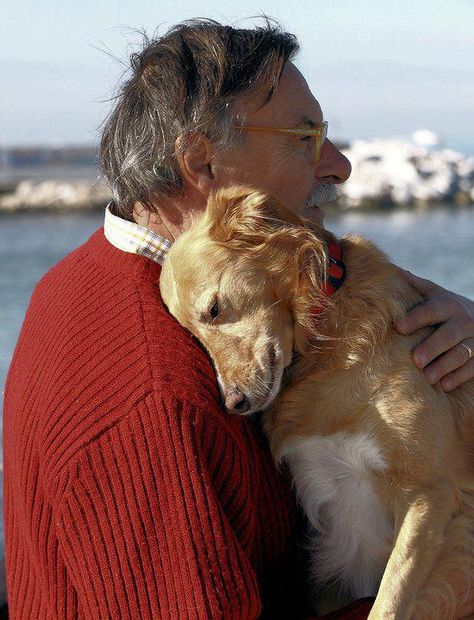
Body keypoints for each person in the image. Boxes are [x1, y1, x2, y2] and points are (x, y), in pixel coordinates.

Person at [3, 19, 474, 620]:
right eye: (303, 138)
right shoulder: (151, 397)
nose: (338, 166)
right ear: (201, 162)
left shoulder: (85, 279)